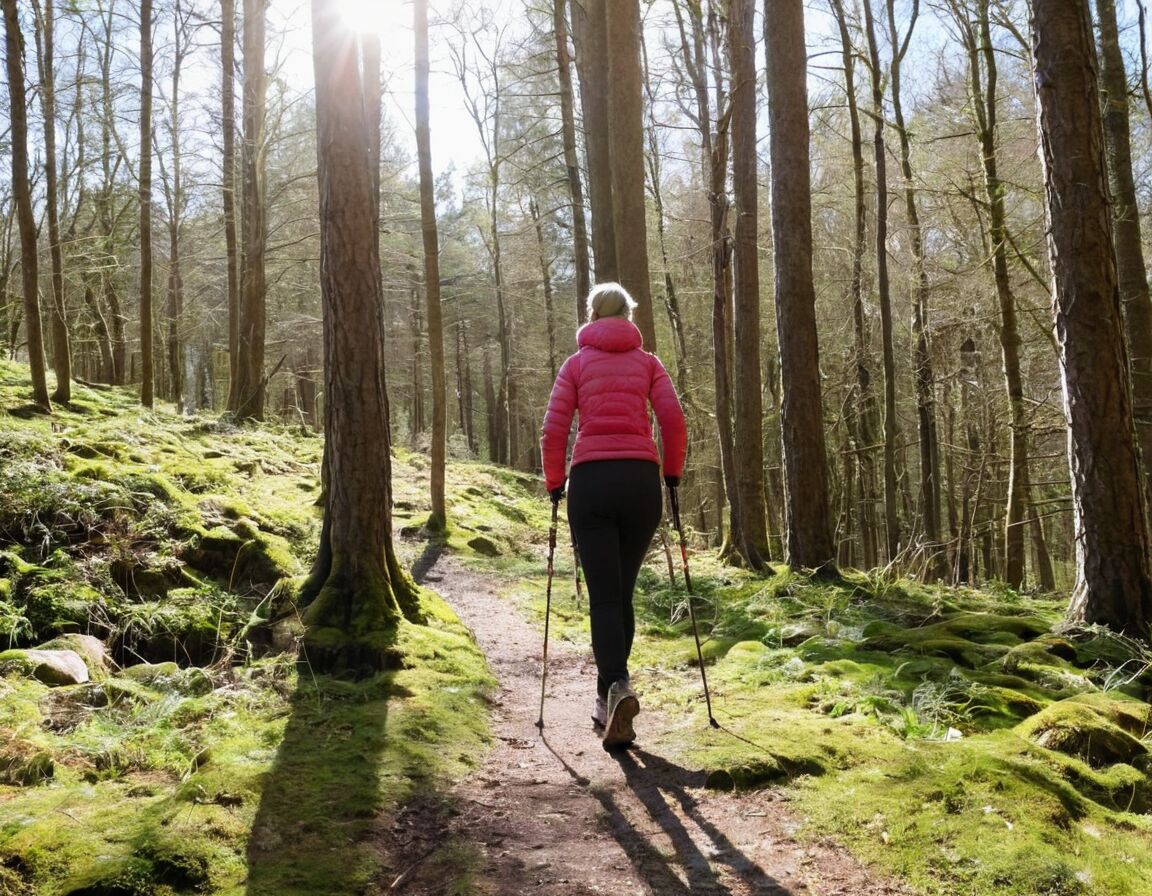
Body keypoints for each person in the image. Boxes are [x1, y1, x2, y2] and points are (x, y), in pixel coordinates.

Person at [540, 282, 687, 749]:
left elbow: (554, 429)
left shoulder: (576, 364)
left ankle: (615, 690)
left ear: (591, 315)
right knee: (622, 594)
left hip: (592, 484)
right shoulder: (649, 364)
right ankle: (613, 692)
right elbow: (673, 421)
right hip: (641, 483)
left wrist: (554, 482)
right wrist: (672, 473)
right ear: (628, 315)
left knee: (604, 598)